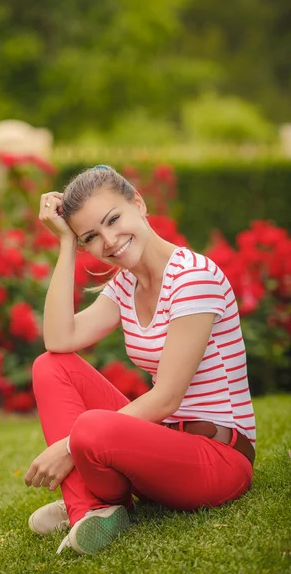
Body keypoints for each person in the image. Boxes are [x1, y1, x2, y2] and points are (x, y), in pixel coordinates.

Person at [24, 165, 256, 556]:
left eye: (113, 219)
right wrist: (66, 245)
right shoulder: (127, 284)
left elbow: (166, 398)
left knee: (90, 430)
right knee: (50, 366)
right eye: (91, 237)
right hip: (163, 447)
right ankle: (91, 510)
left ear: (139, 203)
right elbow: (59, 340)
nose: (109, 241)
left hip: (218, 458)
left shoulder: (193, 279)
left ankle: (94, 502)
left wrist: (69, 445)